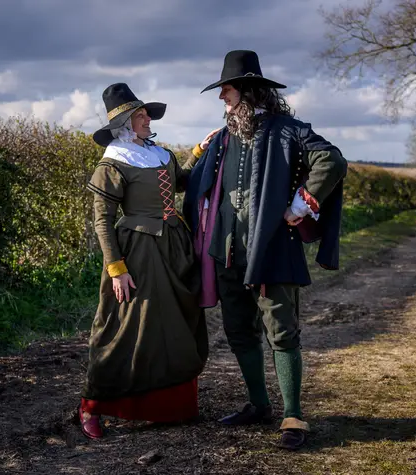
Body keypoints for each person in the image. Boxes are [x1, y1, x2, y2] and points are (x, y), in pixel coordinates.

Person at [183, 50, 347, 450]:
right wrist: (194, 154)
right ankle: (258, 404)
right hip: (226, 253)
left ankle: (293, 413)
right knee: (239, 331)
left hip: (272, 250)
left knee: (282, 332)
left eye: (227, 90)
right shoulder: (221, 140)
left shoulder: (289, 129)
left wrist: (301, 202)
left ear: (248, 91)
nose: (222, 97)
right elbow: (191, 183)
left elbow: (332, 159)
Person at [79, 83, 208, 439]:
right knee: (123, 330)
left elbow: (181, 181)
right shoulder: (113, 163)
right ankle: (93, 405)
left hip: (174, 249)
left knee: (173, 327)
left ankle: (169, 406)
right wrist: (116, 268)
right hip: (138, 253)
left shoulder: (160, 154)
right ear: (125, 123)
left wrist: (198, 153)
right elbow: (102, 221)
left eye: (146, 114)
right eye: (141, 115)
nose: (148, 119)